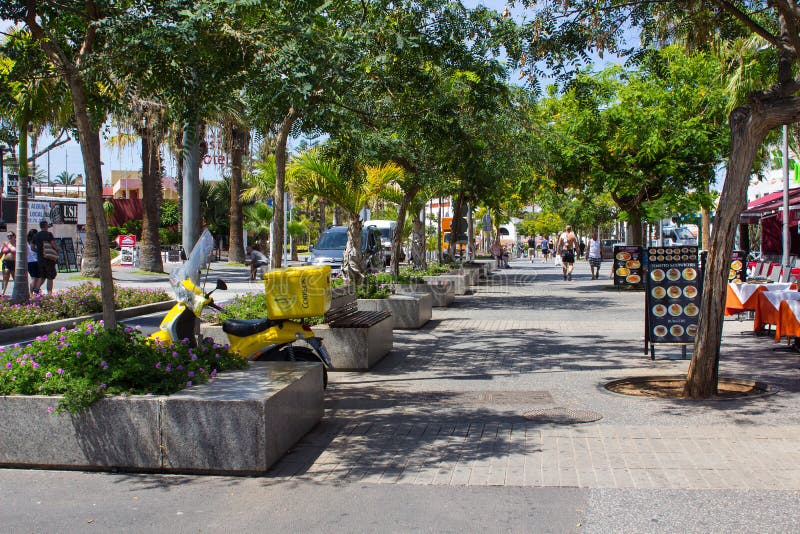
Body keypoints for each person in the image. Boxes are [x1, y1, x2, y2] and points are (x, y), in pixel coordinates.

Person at [33, 220, 59, 295]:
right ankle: (49, 293)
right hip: (49, 258)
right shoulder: (48, 234)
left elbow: (32, 247)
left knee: (42, 276)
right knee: (50, 277)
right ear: (45, 226)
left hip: (40, 259)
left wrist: (38, 251)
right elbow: (53, 243)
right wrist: (57, 250)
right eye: (47, 225)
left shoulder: (36, 235)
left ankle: (36, 290)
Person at [1, 232, 16, 296]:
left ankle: (16, 292)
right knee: (5, 277)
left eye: (10, 235)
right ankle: (3, 292)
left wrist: (8, 246)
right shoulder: (5, 244)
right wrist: (1, 250)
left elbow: (15, 251)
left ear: (14, 236)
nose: (9, 237)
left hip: (14, 263)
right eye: (8, 236)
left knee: (15, 278)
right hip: (6, 262)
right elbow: (1, 254)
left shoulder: (17, 244)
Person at [27, 229, 40, 294]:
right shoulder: (34, 242)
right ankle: (32, 292)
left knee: (35, 278)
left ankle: (34, 291)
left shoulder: (26, 242)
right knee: (35, 278)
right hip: (35, 261)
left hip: (29, 262)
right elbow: (33, 249)